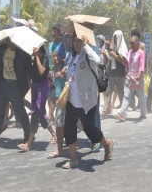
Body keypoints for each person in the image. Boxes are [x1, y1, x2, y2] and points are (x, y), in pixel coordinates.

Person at [62, 33, 114, 169]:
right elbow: (71, 73)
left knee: (91, 130)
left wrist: (86, 46)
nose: (76, 44)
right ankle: (73, 159)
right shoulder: (74, 57)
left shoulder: (88, 54)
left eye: (79, 41)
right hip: (72, 100)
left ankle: (107, 143)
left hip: (85, 100)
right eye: (75, 41)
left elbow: (98, 61)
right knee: (69, 129)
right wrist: (64, 72)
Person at [0, 37, 32, 148]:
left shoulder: (22, 53)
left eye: (11, 41)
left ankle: (28, 136)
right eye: (8, 41)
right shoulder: (2, 49)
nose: (9, 43)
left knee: (20, 112)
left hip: (15, 85)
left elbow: (26, 69)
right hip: (3, 84)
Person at [18, 46, 56, 152]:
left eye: (36, 50)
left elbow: (41, 72)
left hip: (43, 87)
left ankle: (28, 144)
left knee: (36, 112)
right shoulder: (31, 59)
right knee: (39, 113)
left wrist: (37, 58)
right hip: (35, 87)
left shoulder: (44, 58)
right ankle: (53, 134)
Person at [115, 36, 146, 121]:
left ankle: (143, 113)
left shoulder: (141, 53)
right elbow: (127, 64)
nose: (131, 45)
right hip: (129, 77)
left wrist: (138, 77)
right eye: (130, 43)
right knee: (126, 96)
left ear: (138, 43)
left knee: (141, 96)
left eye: (133, 43)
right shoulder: (129, 52)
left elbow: (142, 66)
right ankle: (121, 113)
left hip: (137, 78)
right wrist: (122, 60)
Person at [101, 30, 127, 117]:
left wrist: (114, 54)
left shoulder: (123, 48)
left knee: (121, 93)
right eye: (114, 38)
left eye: (116, 38)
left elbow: (122, 60)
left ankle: (122, 111)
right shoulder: (111, 48)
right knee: (108, 92)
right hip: (111, 73)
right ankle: (104, 110)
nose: (115, 39)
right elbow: (108, 59)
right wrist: (107, 54)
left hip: (120, 74)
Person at [47, 25, 65, 123]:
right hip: (50, 74)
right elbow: (47, 60)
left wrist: (58, 58)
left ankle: (51, 116)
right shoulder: (49, 45)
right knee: (50, 95)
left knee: (57, 95)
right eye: (53, 32)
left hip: (60, 74)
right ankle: (51, 116)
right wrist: (49, 70)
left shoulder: (63, 45)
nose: (53, 34)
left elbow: (65, 60)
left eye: (55, 32)